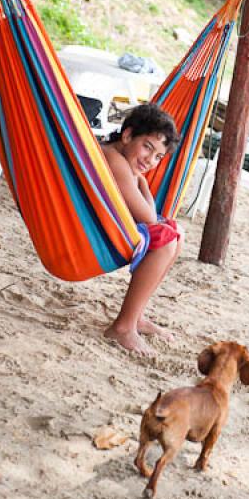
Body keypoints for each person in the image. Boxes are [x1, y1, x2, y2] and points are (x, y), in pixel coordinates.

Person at [101, 103, 183, 355]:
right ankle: (124, 326)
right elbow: (148, 217)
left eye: (158, 156)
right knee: (166, 240)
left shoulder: (119, 158)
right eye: (148, 146)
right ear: (127, 135)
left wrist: (139, 179)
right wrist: (143, 184)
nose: (150, 160)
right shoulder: (116, 161)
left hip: (106, 224)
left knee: (175, 235)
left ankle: (136, 317)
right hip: (95, 233)